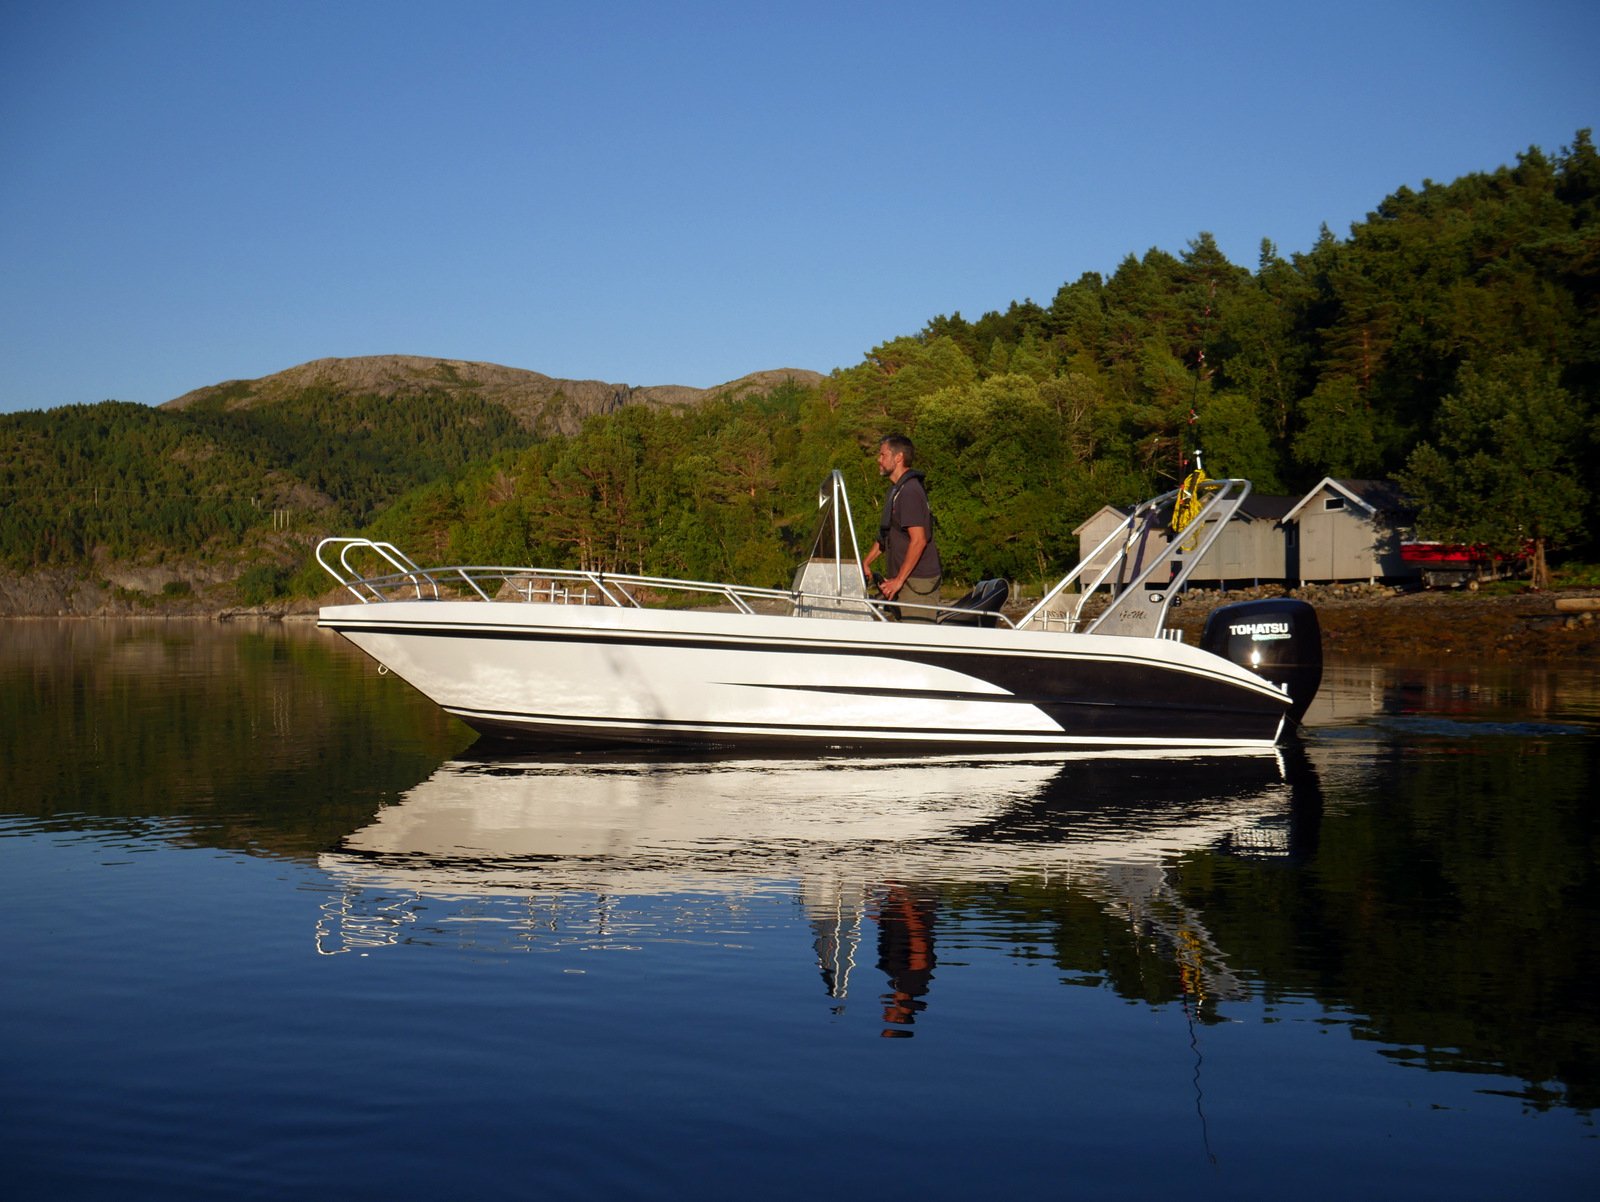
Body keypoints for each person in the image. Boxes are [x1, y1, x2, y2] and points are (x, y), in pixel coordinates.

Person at [860, 434, 942, 621]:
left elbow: (919, 541)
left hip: (917, 583)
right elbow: (885, 535)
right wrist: (866, 562)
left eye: (883, 455)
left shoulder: (910, 491)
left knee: (915, 642)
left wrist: (898, 580)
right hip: (903, 581)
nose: (878, 459)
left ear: (898, 458)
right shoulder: (896, 491)